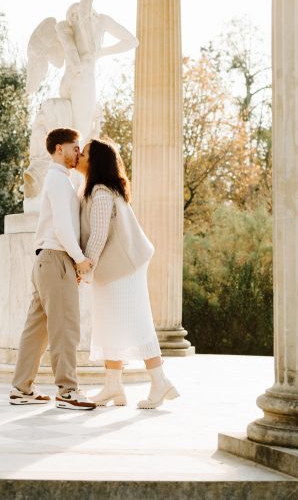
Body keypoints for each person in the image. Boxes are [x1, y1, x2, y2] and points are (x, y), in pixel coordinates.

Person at [76, 138, 179, 409]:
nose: (79, 157)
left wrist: (84, 266)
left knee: (136, 321)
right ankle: (113, 386)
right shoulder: (102, 190)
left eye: (84, 153)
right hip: (118, 267)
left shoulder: (100, 192)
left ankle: (160, 382)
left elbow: (98, 236)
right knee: (110, 323)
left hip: (122, 267)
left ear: (94, 161)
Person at [9, 128, 97, 410]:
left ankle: (21, 389)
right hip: (56, 259)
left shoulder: (60, 180)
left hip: (46, 260)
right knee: (65, 329)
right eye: (75, 148)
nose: (78, 154)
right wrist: (80, 259)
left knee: (36, 330)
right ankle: (68, 392)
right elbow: (62, 225)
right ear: (60, 148)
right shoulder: (58, 180)